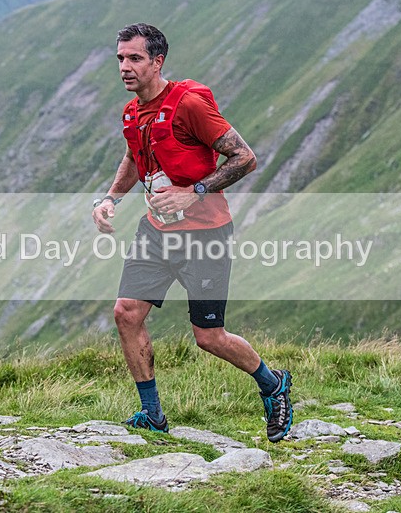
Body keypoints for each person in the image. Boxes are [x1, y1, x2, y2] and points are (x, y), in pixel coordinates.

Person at [91, 23, 293, 443]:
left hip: (206, 234)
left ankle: (274, 385)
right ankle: (153, 416)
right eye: (120, 59)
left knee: (209, 337)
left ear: (157, 61)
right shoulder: (132, 112)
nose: (124, 67)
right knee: (126, 313)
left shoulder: (189, 105)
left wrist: (193, 192)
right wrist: (111, 198)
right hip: (156, 232)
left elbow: (245, 157)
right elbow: (134, 154)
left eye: (134, 59)